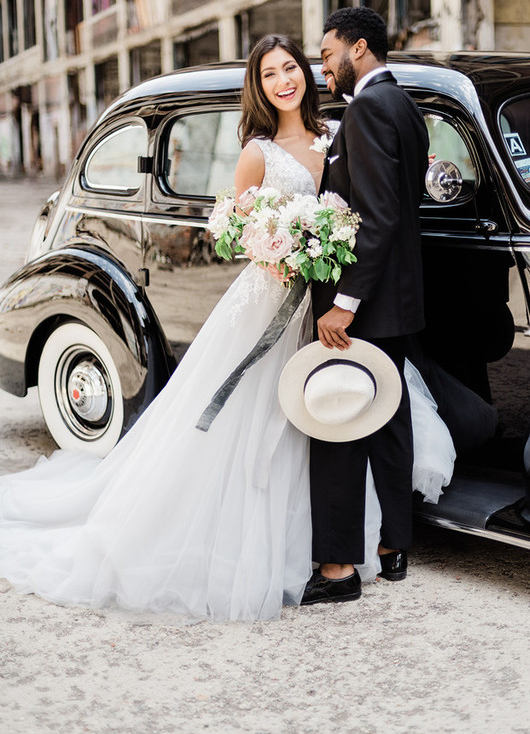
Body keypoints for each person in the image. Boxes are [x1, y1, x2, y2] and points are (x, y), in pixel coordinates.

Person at [0, 33, 453, 622]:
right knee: (264, 415)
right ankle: (287, 545)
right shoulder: (258, 151)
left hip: (330, 297)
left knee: (340, 414)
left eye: (292, 67)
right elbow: (233, 230)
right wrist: (279, 245)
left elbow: (368, 210)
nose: (285, 80)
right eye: (270, 75)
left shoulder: (337, 135)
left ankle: (365, 541)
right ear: (259, 87)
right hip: (275, 297)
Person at [303, 7, 430, 606]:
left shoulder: (369, 108)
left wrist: (345, 303)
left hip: (367, 302)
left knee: (337, 422)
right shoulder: (404, 104)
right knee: (389, 417)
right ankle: (394, 547)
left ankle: (338, 569)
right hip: (397, 300)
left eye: (327, 55)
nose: (322, 67)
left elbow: (377, 217)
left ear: (356, 50)